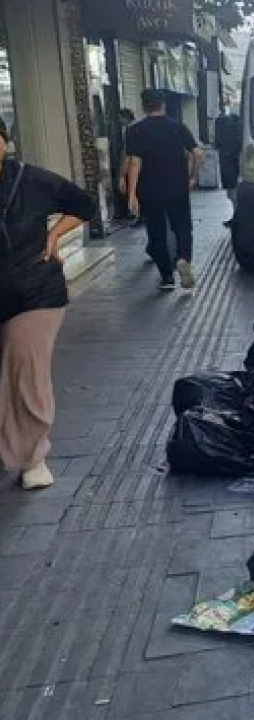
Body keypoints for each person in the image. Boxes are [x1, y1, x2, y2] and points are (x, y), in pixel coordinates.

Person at [0, 118, 96, 490]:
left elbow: (83, 204)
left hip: (35, 291)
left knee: (25, 370)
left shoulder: (31, 179)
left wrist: (56, 233)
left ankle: (33, 457)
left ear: (5, 143)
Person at [126, 89, 203, 290]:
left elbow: (135, 163)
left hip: (150, 189)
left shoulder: (135, 130)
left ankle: (167, 277)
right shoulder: (177, 126)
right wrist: (193, 176)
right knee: (183, 226)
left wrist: (132, 193)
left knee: (157, 231)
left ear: (144, 106)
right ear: (164, 105)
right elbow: (197, 153)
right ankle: (184, 258)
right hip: (177, 186)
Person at [214, 111, 242, 228]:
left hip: (229, 166)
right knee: (232, 194)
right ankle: (237, 217)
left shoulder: (223, 127)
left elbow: (217, 144)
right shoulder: (236, 129)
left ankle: (238, 218)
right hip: (232, 165)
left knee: (232, 194)